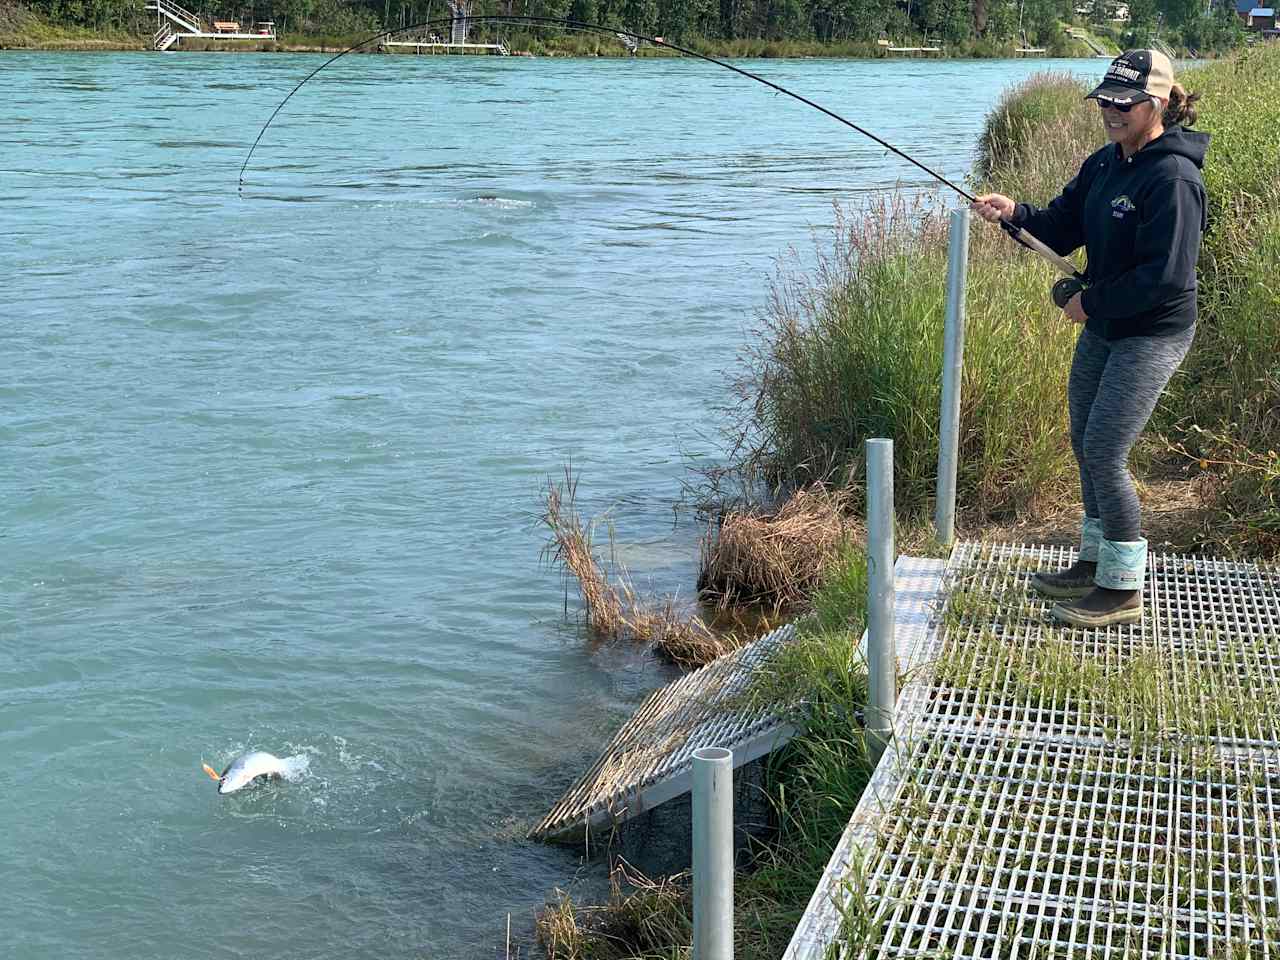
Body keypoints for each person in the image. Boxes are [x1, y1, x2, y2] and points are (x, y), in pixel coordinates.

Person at [971, 50, 1208, 628]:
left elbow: (1165, 278)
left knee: (1105, 449)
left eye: (1124, 102)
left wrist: (1088, 301)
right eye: (1105, 99)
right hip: (1107, 324)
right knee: (1084, 439)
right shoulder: (1105, 164)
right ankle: (1094, 560)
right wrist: (1014, 214)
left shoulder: (1173, 177)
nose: (1111, 110)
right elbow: (1061, 225)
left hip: (1152, 332)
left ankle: (1123, 586)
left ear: (1156, 105)